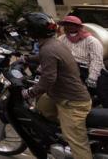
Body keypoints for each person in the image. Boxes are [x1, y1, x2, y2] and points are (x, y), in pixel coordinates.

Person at [19, 12, 92, 159]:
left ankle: (69, 137)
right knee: (41, 106)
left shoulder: (48, 48)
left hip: (73, 102)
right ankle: (58, 135)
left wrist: (29, 92)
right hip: (58, 95)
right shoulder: (54, 43)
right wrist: (27, 58)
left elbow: (47, 80)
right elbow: (45, 57)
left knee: (77, 143)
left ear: (33, 31)